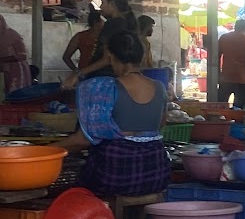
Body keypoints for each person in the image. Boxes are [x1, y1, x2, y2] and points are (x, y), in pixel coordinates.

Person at [58, 29, 169, 198]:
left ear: (110, 55)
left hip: (117, 175)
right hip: (155, 173)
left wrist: (43, 151)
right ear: (141, 56)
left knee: (75, 183)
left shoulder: (104, 88)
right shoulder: (160, 87)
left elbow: (82, 140)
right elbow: (160, 126)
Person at [66, 0, 139, 87]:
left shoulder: (112, 24)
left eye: (103, 2)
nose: (101, 6)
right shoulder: (129, 23)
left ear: (112, 4)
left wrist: (79, 73)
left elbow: (106, 59)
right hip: (120, 77)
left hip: (102, 77)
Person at [217, 18, 245, 111]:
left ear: (235, 27)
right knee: (239, 107)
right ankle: (236, 122)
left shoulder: (224, 38)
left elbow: (217, 57)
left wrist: (218, 74)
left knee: (221, 105)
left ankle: (222, 121)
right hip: (243, 78)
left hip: (226, 77)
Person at [62, 8, 102, 74]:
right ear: (96, 23)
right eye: (102, 21)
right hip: (85, 74)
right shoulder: (80, 37)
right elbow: (66, 57)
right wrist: (77, 71)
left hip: (101, 74)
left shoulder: (106, 37)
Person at [0, 15, 32, 96]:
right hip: (3, 71)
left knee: (16, 96)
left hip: (16, 71)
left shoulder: (12, 35)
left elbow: (22, 56)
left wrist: (2, 60)